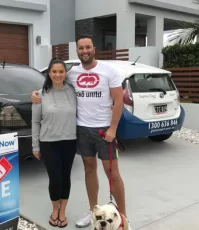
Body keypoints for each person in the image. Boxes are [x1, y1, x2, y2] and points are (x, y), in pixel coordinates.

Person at [31, 35, 131, 229]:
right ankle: (93, 211)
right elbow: (54, 80)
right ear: (77, 51)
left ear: (94, 48)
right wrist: (35, 93)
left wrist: (113, 128)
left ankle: (123, 216)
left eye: (88, 47)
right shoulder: (73, 72)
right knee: (89, 169)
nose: (85, 51)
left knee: (113, 173)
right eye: (81, 48)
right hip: (81, 130)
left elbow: (118, 101)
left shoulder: (108, 71)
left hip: (104, 130)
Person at [31, 57, 78, 228]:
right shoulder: (40, 95)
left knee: (66, 177)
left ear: (65, 73)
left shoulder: (73, 91)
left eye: (61, 71)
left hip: (69, 142)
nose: (58, 75)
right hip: (48, 143)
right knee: (55, 178)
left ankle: (63, 211)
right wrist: (35, 146)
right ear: (49, 73)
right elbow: (35, 122)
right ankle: (54, 210)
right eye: (54, 71)